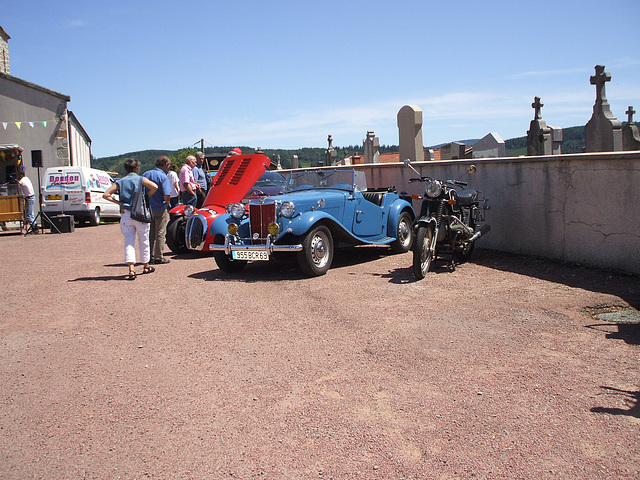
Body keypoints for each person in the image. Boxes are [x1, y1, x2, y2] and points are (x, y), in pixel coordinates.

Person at [103, 158, 158, 280]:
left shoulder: (121, 181)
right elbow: (154, 186)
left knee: (129, 241)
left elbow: (106, 195)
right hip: (139, 212)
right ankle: (145, 265)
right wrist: (146, 197)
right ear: (137, 168)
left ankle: (131, 268)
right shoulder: (140, 179)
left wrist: (119, 203)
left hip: (126, 213)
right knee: (144, 240)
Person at [143, 156, 172, 264]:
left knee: (150, 233)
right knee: (160, 232)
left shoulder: (146, 174)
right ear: (165, 164)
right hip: (160, 207)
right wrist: (167, 204)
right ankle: (158, 256)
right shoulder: (162, 176)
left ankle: (148, 255)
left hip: (148, 207)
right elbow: (167, 194)